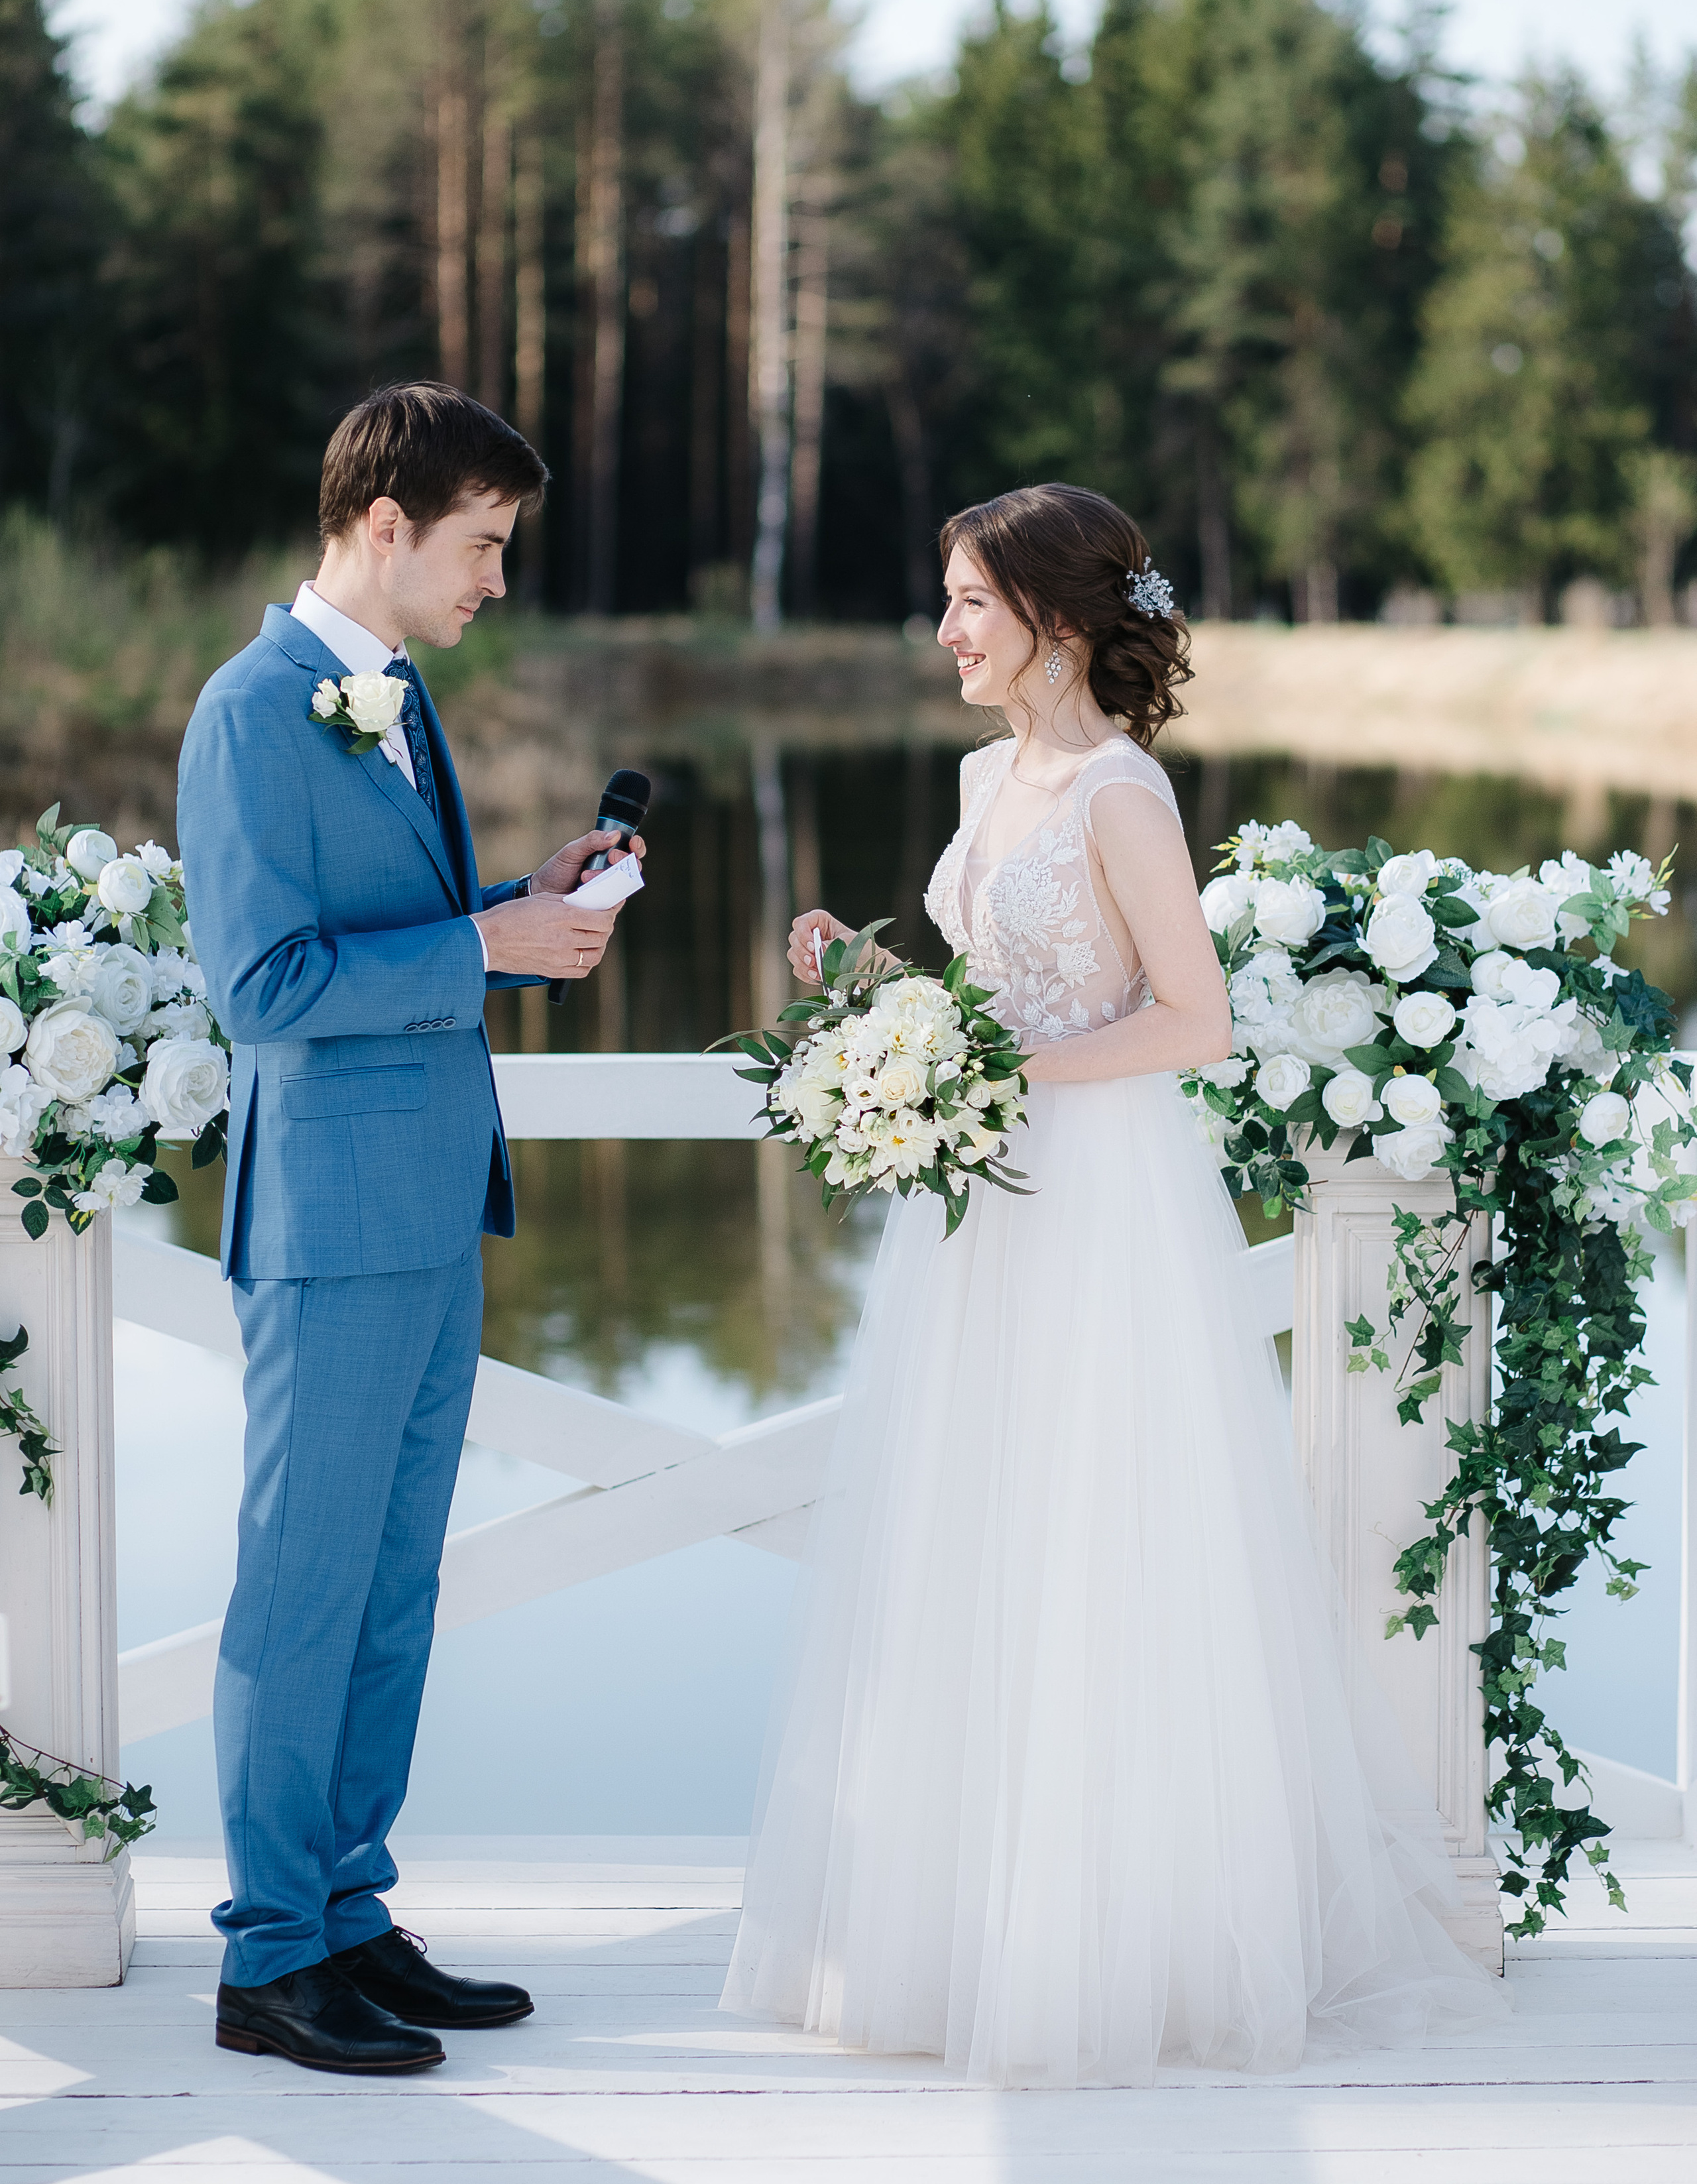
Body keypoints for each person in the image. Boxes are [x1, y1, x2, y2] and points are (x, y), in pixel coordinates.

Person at [721, 482, 1502, 2086]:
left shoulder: (1120, 796)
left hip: (1093, 1207)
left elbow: (1189, 1022)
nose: (943, 631)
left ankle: (1108, 1946)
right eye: (943, 600)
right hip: (981, 1214)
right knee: (973, 1537)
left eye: (966, 604)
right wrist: (880, 994)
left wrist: (995, 1064)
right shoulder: (981, 774)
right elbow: (991, 987)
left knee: (1097, 1543)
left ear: (1057, 625)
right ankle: (957, 1930)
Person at [177, 382, 640, 2075]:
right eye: (482, 545)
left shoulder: (398, 699)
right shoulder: (250, 713)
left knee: (386, 1596)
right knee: (298, 1600)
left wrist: (522, 896)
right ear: (386, 526)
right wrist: (489, 953)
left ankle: (353, 1917)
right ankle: (268, 1963)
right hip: (326, 1221)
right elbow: (261, 988)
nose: (494, 579)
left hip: (435, 1205)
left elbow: (399, 927)